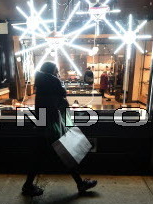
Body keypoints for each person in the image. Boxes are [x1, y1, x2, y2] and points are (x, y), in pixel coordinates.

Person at [22, 62, 97, 196]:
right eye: (56, 71)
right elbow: (61, 104)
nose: (58, 74)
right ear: (52, 72)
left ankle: (28, 186)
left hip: (43, 126)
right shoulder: (52, 83)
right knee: (66, 154)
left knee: (40, 157)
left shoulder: (42, 85)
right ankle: (80, 184)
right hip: (51, 128)